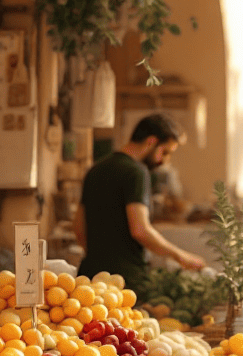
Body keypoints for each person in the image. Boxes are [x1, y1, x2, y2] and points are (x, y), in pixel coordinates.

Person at [73, 112, 205, 290]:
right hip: (124, 282)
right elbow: (140, 230)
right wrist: (181, 256)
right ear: (151, 141)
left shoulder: (95, 170)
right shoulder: (136, 172)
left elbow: (79, 228)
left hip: (89, 280)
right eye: (164, 152)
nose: (164, 160)